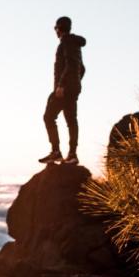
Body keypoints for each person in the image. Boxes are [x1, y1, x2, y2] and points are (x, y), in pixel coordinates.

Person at [38, 16, 86, 165]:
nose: (55, 31)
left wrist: (62, 85)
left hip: (64, 88)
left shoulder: (66, 42)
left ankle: (56, 152)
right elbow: (81, 68)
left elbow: (71, 65)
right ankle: (72, 154)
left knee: (48, 117)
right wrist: (75, 83)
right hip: (72, 87)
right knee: (71, 120)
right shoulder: (74, 44)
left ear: (59, 28)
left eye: (55, 28)